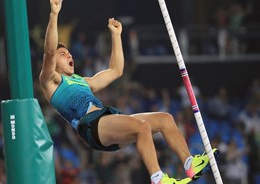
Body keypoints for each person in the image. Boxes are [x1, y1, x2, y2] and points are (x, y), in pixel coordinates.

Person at [40, 0, 217, 183]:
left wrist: (116, 36)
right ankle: (158, 179)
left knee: (166, 120)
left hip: (105, 121)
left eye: (69, 53)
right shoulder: (50, 81)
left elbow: (116, 71)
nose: (69, 55)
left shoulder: (82, 81)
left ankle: (190, 164)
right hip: (91, 127)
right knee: (143, 127)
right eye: (64, 54)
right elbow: (49, 52)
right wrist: (54, 14)